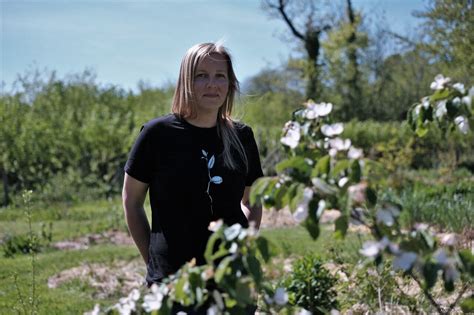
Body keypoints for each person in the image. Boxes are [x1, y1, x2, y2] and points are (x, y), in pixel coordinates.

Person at [122, 42, 264, 287]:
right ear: (186, 81)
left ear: (230, 83)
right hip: (174, 280)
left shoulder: (242, 137)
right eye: (201, 76)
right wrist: (154, 263)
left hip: (233, 279)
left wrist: (245, 246)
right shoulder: (158, 134)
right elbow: (131, 201)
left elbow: (251, 200)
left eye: (220, 76)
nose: (212, 84)